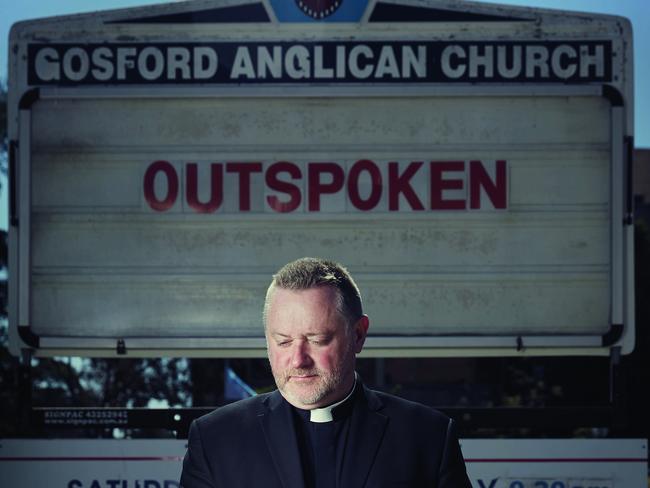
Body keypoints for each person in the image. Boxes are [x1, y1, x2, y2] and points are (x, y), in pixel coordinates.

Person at [181, 257, 472, 487]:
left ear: (358, 335)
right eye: (283, 341)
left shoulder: (427, 436)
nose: (298, 360)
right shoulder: (215, 439)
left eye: (318, 340)